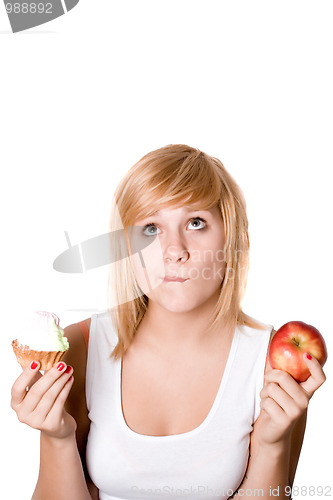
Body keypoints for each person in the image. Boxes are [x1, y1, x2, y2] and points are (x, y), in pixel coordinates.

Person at [11, 144, 326, 500]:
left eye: (196, 223)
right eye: (150, 229)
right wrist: (57, 437)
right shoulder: (81, 346)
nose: (174, 250)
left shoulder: (275, 362)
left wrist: (272, 446)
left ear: (232, 237)